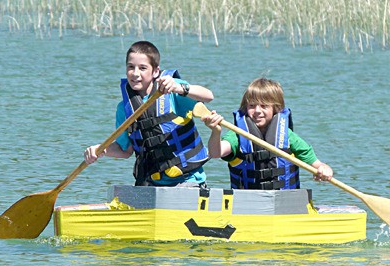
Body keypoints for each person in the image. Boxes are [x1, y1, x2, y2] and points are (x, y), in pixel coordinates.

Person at [84, 41, 214, 187]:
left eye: (143, 68)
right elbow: (125, 150)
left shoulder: (172, 91)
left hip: (187, 180)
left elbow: (208, 96)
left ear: (155, 71)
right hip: (151, 183)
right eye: (130, 67)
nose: (135, 73)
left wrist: (179, 88)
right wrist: (101, 149)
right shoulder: (124, 108)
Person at [201, 77, 333, 190]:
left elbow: (317, 164)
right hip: (247, 202)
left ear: (276, 108)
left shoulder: (289, 137)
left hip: (284, 202)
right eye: (252, 105)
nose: (257, 111)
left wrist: (324, 169)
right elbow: (215, 153)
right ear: (245, 107)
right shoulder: (237, 134)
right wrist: (215, 132)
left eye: (264, 106)